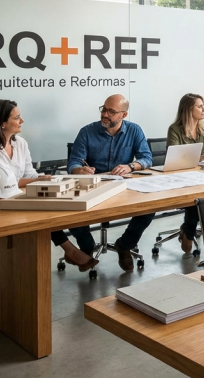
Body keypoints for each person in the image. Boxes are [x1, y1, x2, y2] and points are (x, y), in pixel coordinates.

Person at [0, 100, 98, 272]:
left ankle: (70, 251)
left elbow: (29, 173)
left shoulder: (20, 143)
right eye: (17, 117)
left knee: (48, 208)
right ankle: (70, 251)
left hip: (14, 196)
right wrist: (35, 181)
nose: (22, 121)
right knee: (39, 213)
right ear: (2, 123)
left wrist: (43, 179)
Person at [62, 94, 153, 271]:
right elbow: (73, 162)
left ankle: (125, 245)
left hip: (122, 186)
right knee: (69, 207)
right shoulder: (87, 131)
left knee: (149, 207)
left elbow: (147, 158)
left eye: (111, 112)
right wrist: (79, 170)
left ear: (123, 115)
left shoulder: (134, 130)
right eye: (104, 109)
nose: (105, 114)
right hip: (92, 186)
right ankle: (86, 245)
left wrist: (131, 166)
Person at [167, 93, 204, 253]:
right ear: (188, 109)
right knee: (196, 200)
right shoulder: (175, 129)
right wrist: (201, 157)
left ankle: (187, 230)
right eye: (200, 106)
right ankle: (189, 233)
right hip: (182, 180)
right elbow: (174, 158)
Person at [167, 93, 204, 162]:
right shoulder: (174, 130)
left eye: (203, 106)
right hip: (184, 171)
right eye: (199, 107)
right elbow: (174, 158)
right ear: (189, 110)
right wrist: (201, 158)